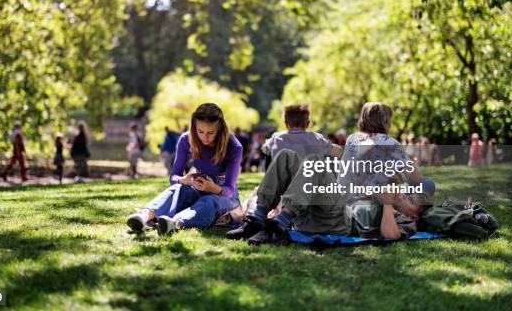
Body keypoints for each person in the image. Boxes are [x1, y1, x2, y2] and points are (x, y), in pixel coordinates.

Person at [226, 147, 435, 244]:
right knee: (286, 157)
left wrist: (388, 204)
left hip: (339, 221)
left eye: (411, 199)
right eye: (409, 192)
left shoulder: (407, 222)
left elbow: (391, 236)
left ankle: (278, 226)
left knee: (316, 163)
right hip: (318, 209)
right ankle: (256, 220)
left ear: (415, 215)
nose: (405, 195)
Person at [126, 103, 243, 235]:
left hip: (224, 194)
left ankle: (174, 223)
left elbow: (229, 191)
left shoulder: (234, 146)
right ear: (194, 127)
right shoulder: (186, 139)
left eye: (211, 133)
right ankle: (143, 216)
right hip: (198, 185)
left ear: (220, 129)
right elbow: (174, 176)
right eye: (200, 132)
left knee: (209, 201)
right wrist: (183, 180)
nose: (205, 138)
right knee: (177, 189)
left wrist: (212, 188)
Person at [261, 104, 343, 160]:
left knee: (269, 155)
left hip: (284, 184)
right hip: (309, 182)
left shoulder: (276, 138)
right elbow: (339, 152)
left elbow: (264, 148)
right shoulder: (317, 139)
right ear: (307, 124)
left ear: (286, 123)